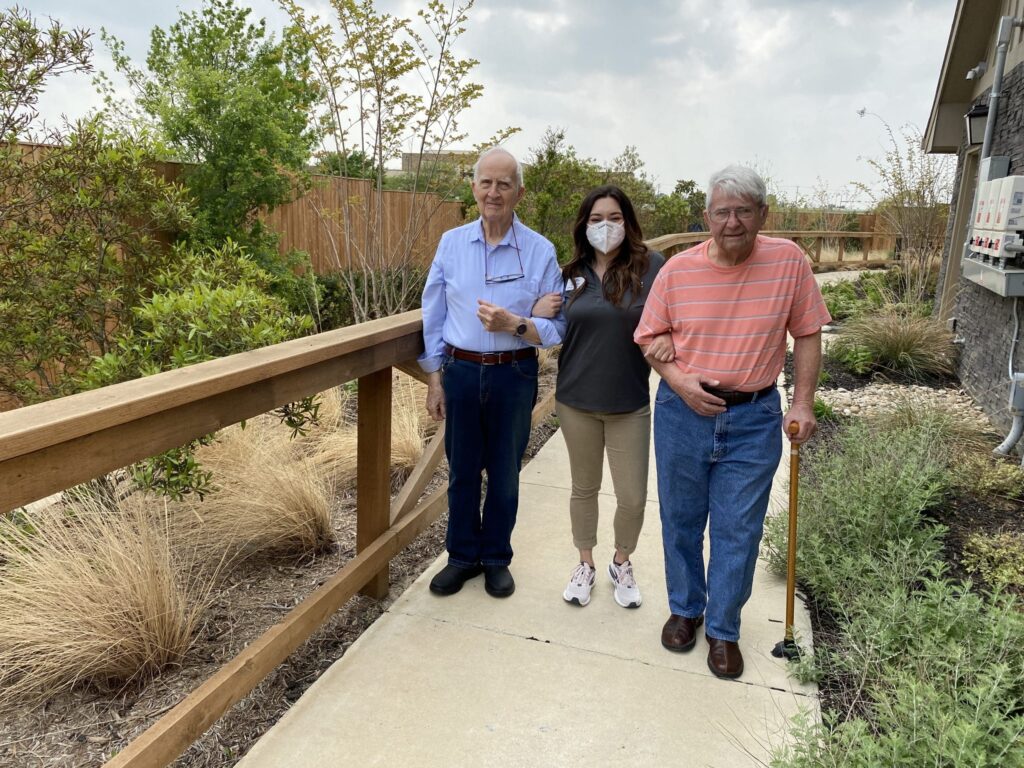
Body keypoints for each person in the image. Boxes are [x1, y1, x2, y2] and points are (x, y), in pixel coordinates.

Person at [634, 165, 830, 680]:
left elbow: (808, 333)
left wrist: (803, 402)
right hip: (683, 413)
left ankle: (723, 628)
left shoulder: (788, 263)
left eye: (745, 211)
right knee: (680, 519)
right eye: (723, 212)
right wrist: (678, 381)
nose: (733, 222)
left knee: (737, 530)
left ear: (763, 214)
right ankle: (685, 608)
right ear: (707, 217)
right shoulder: (677, 271)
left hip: (753, 415)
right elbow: (648, 337)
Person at [419, 147, 565, 599]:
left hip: (513, 374)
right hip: (461, 371)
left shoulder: (540, 251)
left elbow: (556, 329)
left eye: (504, 184)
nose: (494, 192)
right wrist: (434, 377)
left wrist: (516, 324)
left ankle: (497, 557)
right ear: (474, 188)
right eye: (486, 182)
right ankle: (462, 556)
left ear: (519, 192)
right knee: (462, 471)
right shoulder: (451, 243)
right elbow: (434, 314)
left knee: (505, 472)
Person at [533, 185, 666, 609]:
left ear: (627, 222)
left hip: (629, 401)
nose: (604, 226)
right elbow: (549, 323)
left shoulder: (652, 267)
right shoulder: (569, 271)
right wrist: (536, 309)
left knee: (631, 496)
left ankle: (621, 561)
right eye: (595, 219)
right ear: (583, 225)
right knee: (583, 488)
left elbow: (677, 314)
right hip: (576, 401)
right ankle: (585, 564)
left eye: (613, 218)